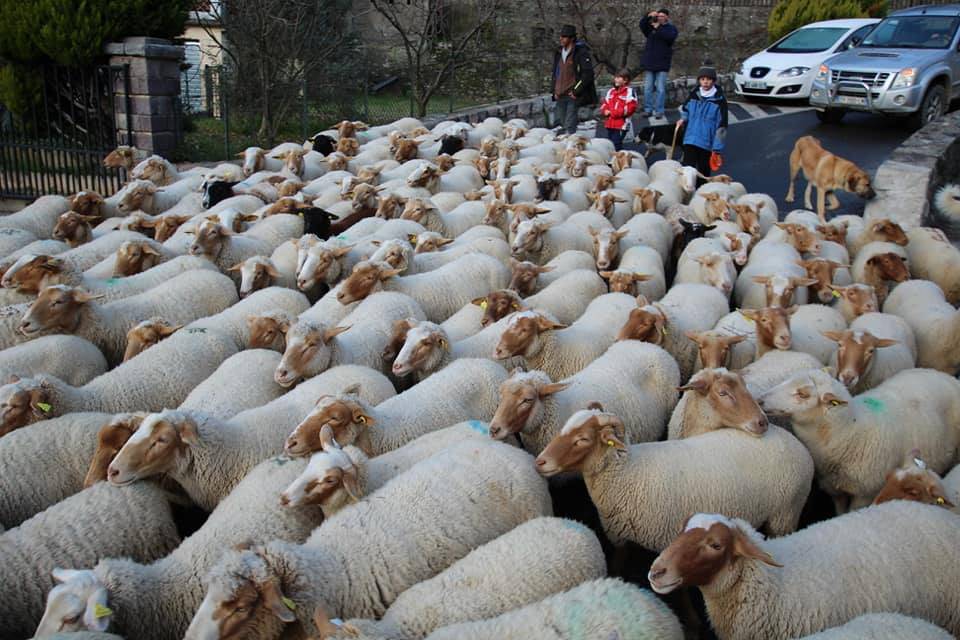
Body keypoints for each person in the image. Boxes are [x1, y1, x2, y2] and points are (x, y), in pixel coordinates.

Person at [676, 63, 728, 183]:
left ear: (713, 81)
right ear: (699, 80)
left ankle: (701, 194)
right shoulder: (694, 94)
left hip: (706, 142)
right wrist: (683, 118)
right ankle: (687, 194)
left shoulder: (720, 101)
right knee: (687, 170)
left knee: (703, 172)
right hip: (690, 138)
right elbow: (685, 109)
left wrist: (717, 148)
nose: (705, 82)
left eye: (708, 79)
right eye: (702, 79)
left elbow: (722, 127)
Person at [552, 24, 597, 135]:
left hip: (572, 94)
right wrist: (554, 90)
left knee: (569, 125)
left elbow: (587, 73)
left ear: (571, 38)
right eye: (561, 36)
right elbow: (555, 73)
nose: (561, 39)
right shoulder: (558, 52)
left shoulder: (580, 52)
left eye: (564, 36)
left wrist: (576, 91)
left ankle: (571, 149)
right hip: (560, 94)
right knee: (562, 124)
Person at [639, 9, 678, 119]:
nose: (659, 18)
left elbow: (669, 38)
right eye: (658, 16)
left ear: (666, 17)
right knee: (648, 88)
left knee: (660, 88)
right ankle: (648, 110)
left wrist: (658, 27)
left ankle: (659, 110)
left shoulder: (671, 29)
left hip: (662, 63)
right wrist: (647, 15)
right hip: (650, 63)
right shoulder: (650, 28)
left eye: (662, 16)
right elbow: (642, 25)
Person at [600, 68, 638, 151]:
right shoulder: (611, 91)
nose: (615, 79)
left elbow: (630, 108)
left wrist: (612, 113)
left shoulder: (630, 91)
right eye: (615, 77)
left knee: (616, 145)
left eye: (618, 77)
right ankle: (615, 161)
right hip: (609, 124)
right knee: (610, 145)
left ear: (625, 80)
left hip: (621, 125)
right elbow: (604, 104)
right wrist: (604, 111)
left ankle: (619, 161)